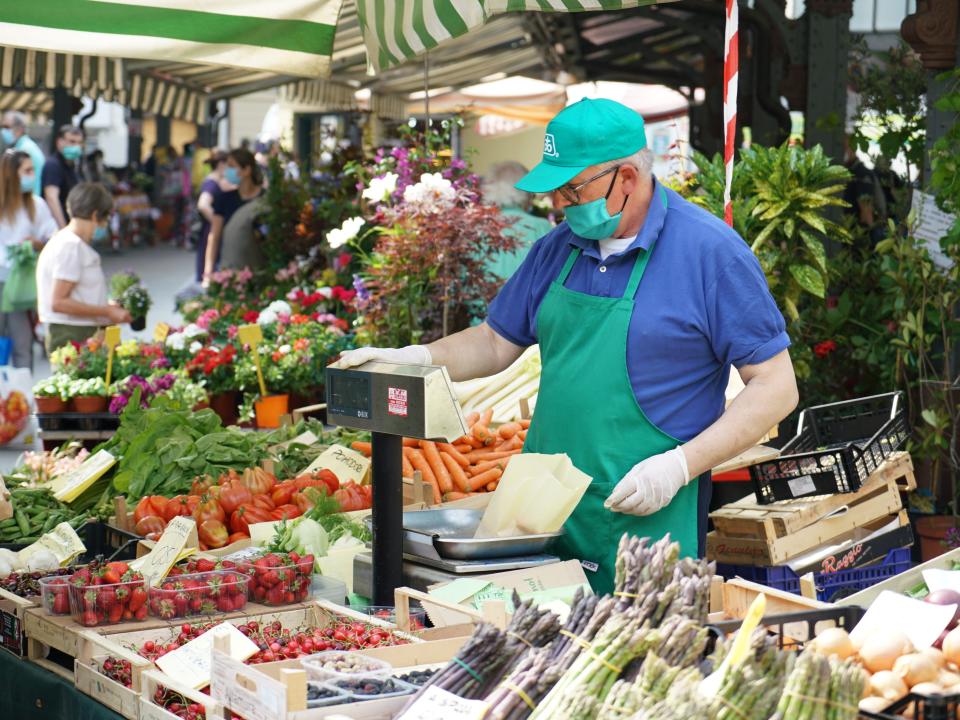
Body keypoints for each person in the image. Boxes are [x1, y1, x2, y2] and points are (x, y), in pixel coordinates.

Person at [335, 99, 799, 594]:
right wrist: (419, 357)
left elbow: (775, 386)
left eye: (573, 188)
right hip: (541, 512)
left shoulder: (710, 253)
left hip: (644, 511)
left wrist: (679, 466)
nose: (560, 202)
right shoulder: (557, 248)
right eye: (558, 189)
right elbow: (495, 341)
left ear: (626, 177)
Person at [36, 182, 131, 353]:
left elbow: (76, 293)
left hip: (80, 331)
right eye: (105, 220)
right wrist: (106, 311)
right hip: (73, 334)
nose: (104, 226)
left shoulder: (69, 242)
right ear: (95, 216)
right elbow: (59, 302)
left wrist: (106, 305)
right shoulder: (70, 247)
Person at [0, 151, 57, 369]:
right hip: (3, 280)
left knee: (22, 344)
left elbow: (53, 236)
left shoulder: (36, 205)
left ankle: (21, 397)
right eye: (27, 171)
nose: (32, 176)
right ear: (10, 175)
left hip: (23, 288)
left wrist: (37, 244)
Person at [482, 161, 554, 279]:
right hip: (525, 296)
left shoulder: (476, 226)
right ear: (525, 190)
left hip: (482, 296)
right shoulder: (541, 226)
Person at [203, 148, 266, 279]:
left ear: (246, 170)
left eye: (232, 166)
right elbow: (214, 237)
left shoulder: (265, 199)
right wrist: (208, 273)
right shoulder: (224, 199)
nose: (227, 171)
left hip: (260, 271)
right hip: (230, 273)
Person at [194, 148, 233, 282]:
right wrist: (218, 222)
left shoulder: (218, 181)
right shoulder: (211, 183)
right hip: (211, 232)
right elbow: (203, 205)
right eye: (230, 164)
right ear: (222, 164)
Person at [42, 125, 84, 228]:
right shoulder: (53, 165)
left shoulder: (72, 166)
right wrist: (63, 228)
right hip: (55, 228)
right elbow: (51, 197)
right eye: (72, 142)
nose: (76, 146)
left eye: (79, 143)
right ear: (59, 142)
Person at [1, 111, 45, 196]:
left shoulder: (25, 150)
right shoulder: (22, 146)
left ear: (20, 128)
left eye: (7, 127)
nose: (3, 130)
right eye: (2, 127)